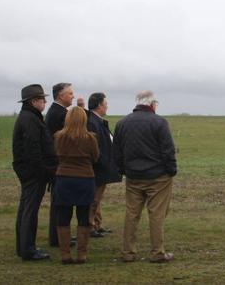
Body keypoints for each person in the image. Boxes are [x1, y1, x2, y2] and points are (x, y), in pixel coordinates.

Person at [114, 90, 177, 263]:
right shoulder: (159, 122)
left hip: (133, 176)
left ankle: (128, 252)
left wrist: (124, 170)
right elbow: (167, 150)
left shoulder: (122, 123)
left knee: (131, 214)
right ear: (152, 104)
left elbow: (117, 152)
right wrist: (171, 170)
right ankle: (158, 252)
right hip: (158, 177)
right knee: (156, 214)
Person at [12, 84, 58, 261]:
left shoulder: (29, 117)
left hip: (28, 171)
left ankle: (24, 247)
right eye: (42, 99)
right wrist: (44, 171)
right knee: (29, 211)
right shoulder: (30, 119)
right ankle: (28, 250)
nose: (45, 102)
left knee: (26, 210)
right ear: (33, 101)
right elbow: (33, 149)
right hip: (33, 173)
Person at [52, 107, 99, 264]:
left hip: (64, 179)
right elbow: (95, 157)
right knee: (83, 217)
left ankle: (65, 254)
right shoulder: (90, 139)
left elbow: (56, 155)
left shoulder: (59, 137)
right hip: (85, 179)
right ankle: (81, 254)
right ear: (84, 120)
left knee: (63, 217)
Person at [45, 82, 83, 247]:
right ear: (60, 96)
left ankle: (58, 236)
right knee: (59, 205)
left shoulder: (56, 111)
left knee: (59, 204)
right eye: (70, 93)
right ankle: (58, 238)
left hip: (58, 164)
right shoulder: (59, 114)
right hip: (59, 164)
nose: (72, 96)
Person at [86, 92, 122, 238]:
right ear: (99, 105)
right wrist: (103, 162)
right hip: (98, 168)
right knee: (94, 199)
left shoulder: (97, 120)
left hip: (103, 167)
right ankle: (90, 226)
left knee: (97, 199)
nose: (107, 106)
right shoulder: (92, 122)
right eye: (105, 104)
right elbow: (95, 148)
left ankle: (97, 224)